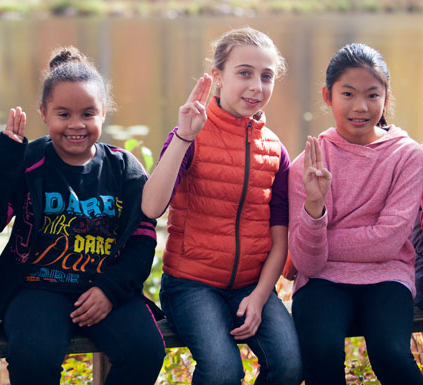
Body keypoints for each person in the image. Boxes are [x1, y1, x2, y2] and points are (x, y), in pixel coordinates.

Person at [0, 46, 165, 385]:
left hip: (103, 286)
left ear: (103, 113)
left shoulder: (124, 169)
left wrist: (109, 290)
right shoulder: (30, 161)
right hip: (37, 287)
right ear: (44, 113)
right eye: (63, 114)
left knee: (145, 351)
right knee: (34, 356)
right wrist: (3, 159)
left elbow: (142, 241)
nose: (76, 125)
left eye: (87, 114)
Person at [141, 27, 302, 385]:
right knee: (222, 372)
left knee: (289, 366)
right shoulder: (192, 132)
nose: (256, 87)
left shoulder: (275, 150)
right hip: (191, 284)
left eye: (266, 76)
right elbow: (152, 208)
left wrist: (261, 296)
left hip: (251, 284)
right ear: (217, 76)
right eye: (244, 73)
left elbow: (281, 239)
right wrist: (184, 136)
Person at [288, 43, 423, 385]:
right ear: (328, 95)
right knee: (320, 351)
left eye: (372, 95)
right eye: (348, 94)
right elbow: (307, 263)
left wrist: (324, 239)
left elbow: (388, 242)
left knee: (391, 352)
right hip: (322, 282)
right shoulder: (309, 164)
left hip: (388, 277)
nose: (360, 107)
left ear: (386, 98)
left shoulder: (408, 156)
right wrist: (315, 209)